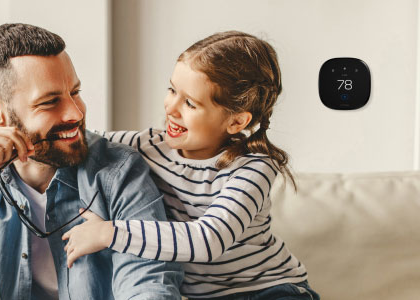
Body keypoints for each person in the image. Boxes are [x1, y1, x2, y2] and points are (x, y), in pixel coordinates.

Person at [0, 23, 182, 300]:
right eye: (49, 102)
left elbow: (151, 287)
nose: (75, 113)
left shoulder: (120, 172)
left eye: (75, 92)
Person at [62, 31, 320, 299]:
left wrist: (108, 233)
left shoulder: (252, 168)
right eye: (172, 90)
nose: (171, 108)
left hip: (269, 289)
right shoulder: (149, 145)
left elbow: (208, 240)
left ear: (236, 122)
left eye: (190, 103)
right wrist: (19, 135)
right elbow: (86, 141)